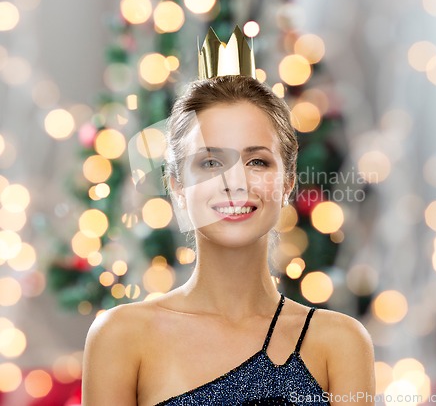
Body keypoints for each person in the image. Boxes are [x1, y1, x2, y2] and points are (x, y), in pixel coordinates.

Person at [82, 28, 375, 405]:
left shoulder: (339, 342)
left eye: (256, 161)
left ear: (287, 182)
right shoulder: (123, 335)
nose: (235, 183)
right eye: (209, 162)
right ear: (177, 187)